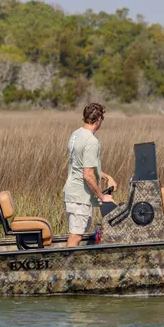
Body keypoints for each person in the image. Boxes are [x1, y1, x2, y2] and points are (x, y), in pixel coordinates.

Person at [63, 103, 118, 247]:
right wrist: (102, 196)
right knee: (76, 236)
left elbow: (81, 166)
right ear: (98, 119)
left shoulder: (76, 134)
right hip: (79, 196)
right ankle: (66, 261)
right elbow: (87, 175)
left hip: (72, 191)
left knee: (76, 234)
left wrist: (107, 177)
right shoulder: (91, 141)